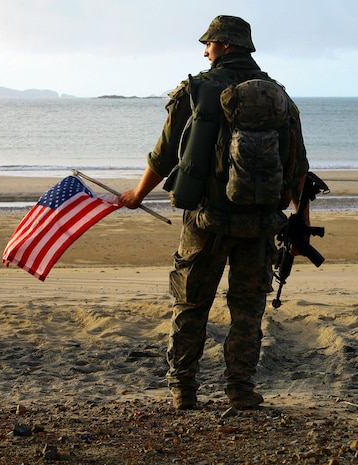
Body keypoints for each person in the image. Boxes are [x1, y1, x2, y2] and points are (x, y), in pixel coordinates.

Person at [120, 15, 310, 410]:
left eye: (208, 44)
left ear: (223, 44)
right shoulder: (278, 97)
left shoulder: (196, 91)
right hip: (259, 223)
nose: (204, 51)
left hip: (207, 221)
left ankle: (183, 389)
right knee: (247, 311)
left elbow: (165, 154)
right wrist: (301, 228)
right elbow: (298, 170)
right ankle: (240, 389)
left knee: (191, 303)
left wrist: (138, 194)